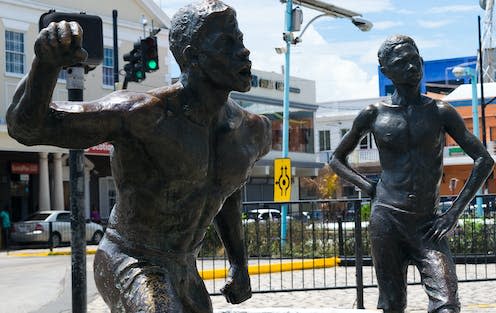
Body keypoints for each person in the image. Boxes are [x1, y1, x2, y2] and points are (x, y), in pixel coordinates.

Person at [6, 1, 271, 312]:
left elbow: (228, 188)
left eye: (240, 40)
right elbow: (30, 128)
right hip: (130, 256)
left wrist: (239, 263)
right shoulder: (142, 114)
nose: (244, 52)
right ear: (192, 56)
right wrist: (45, 66)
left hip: (184, 263)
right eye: (227, 42)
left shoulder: (253, 131)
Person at [330, 35, 494, 313]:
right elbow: (336, 159)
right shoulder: (373, 114)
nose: (412, 66)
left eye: (415, 58)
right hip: (387, 220)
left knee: (447, 304)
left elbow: (483, 159)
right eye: (402, 62)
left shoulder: (441, 112)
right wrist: (367, 186)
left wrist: (453, 213)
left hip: (428, 224)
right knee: (392, 305)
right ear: (386, 72)